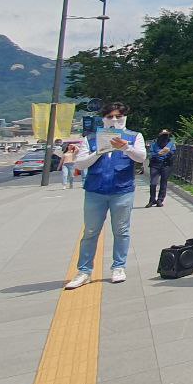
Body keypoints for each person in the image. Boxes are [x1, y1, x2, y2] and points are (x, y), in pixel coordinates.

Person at [62, 103, 147, 289]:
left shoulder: (134, 136)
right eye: (110, 116)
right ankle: (83, 271)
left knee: (121, 230)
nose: (114, 120)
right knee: (90, 232)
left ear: (125, 117)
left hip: (122, 190)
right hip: (95, 190)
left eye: (118, 116)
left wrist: (126, 148)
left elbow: (141, 157)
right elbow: (80, 164)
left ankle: (119, 266)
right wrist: (98, 152)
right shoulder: (91, 138)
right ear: (103, 119)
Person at [146, 130, 175, 207]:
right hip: (155, 164)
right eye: (163, 135)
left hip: (166, 165)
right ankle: (152, 200)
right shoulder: (154, 143)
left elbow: (173, 152)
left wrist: (168, 152)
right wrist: (158, 154)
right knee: (153, 183)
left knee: (163, 183)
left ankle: (160, 200)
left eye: (166, 135)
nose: (164, 137)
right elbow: (151, 154)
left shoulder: (171, 143)